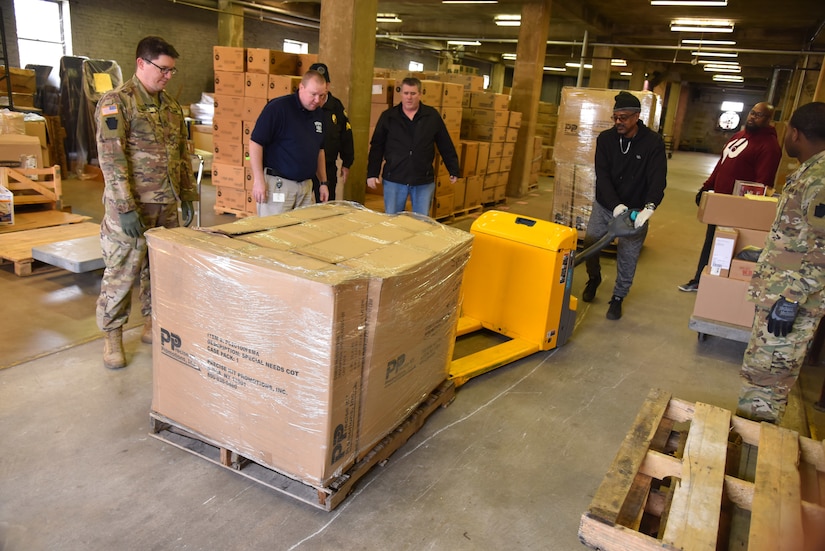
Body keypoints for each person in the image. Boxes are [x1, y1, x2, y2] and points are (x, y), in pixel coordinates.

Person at [95, 36, 197, 370]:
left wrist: (187, 196)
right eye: (163, 69)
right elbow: (112, 160)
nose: (168, 76)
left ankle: (153, 322)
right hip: (132, 208)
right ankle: (112, 335)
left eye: (172, 71)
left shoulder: (171, 106)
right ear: (142, 63)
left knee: (162, 272)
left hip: (165, 205)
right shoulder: (116, 102)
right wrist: (124, 208)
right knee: (122, 271)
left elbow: (182, 153)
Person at [737, 102, 825, 424]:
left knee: (768, 377)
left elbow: (824, 248)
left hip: (791, 299)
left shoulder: (820, 179)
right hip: (781, 291)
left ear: (795, 133)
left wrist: (791, 298)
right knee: (761, 369)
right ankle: (751, 434)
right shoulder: (810, 171)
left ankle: (755, 444)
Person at [581, 91, 667, 320]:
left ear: (637, 117)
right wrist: (614, 204)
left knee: (628, 254)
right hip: (606, 204)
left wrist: (650, 206)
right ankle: (594, 277)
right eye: (615, 117)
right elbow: (603, 174)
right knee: (591, 241)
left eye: (624, 117)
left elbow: (657, 177)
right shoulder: (606, 139)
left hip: (636, 209)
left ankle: (618, 297)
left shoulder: (653, 143)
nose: (618, 122)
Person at [678, 102, 782, 292]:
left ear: (768, 120)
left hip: (738, 207)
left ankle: (717, 284)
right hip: (720, 201)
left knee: (726, 245)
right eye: (752, 113)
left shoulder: (769, 146)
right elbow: (721, 165)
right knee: (710, 241)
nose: (753, 117)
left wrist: (750, 208)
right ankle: (699, 279)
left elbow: (763, 183)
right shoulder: (738, 136)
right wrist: (706, 187)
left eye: (759, 115)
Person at [367, 77, 460, 216]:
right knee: (392, 222)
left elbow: (445, 143)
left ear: (420, 94)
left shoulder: (432, 116)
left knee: (421, 224)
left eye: (413, 93)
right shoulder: (389, 117)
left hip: (422, 180)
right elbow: (377, 146)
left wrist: (453, 168)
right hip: (394, 179)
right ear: (401, 94)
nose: (409, 97)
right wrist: (372, 173)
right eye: (406, 93)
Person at [249, 70, 328, 216]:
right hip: (279, 186)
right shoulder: (278, 109)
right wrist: (258, 180)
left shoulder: (319, 114)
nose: (317, 100)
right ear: (301, 88)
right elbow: (255, 143)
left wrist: (323, 183)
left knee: (301, 234)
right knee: (272, 233)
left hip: (305, 187)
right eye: (313, 94)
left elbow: (319, 150)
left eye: (322, 95)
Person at [308, 63, 354, 203]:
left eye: (323, 82)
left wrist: (347, 163)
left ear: (327, 85)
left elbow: (346, 136)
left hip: (327, 166)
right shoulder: (303, 104)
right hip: (305, 165)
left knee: (326, 206)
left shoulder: (336, 106)